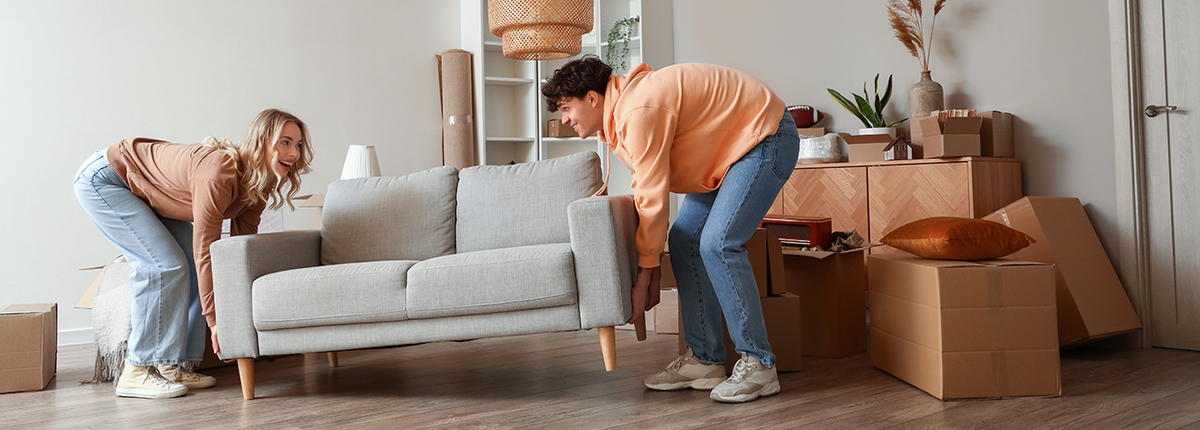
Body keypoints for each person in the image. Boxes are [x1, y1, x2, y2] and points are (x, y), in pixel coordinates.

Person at [542, 56, 798, 403]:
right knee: (684, 240)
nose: (565, 119)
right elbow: (647, 189)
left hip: (765, 137)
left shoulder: (637, 110)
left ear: (592, 98)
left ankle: (759, 363)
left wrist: (645, 277)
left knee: (717, 244)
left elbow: (652, 197)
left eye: (566, 108)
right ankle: (705, 359)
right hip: (728, 154)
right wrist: (648, 269)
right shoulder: (620, 121)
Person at [73, 109, 314, 399]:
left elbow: (234, 253)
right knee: (165, 265)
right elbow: (207, 251)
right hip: (108, 179)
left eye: (299, 145)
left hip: (151, 192)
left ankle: (170, 364)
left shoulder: (260, 184)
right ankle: (137, 370)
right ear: (262, 141)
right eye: (285, 142)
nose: (295, 153)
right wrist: (215, 322)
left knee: (186, 262)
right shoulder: (219, 173)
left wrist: (236, 311)